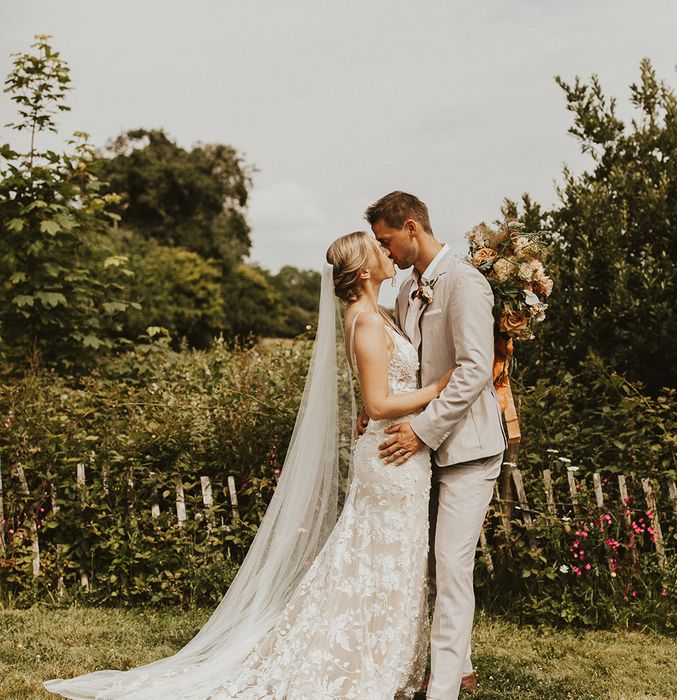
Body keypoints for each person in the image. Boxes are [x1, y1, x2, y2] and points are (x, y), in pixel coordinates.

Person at [43, 231, 453, 699]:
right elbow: (378, 403)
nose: (387, 252)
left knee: (387, 560)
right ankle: (363, 667)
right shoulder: (365, 321)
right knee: (380, 560)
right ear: (363, 271)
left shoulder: (378, 313)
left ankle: (382, 661)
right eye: (378, 249)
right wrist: (440, 387)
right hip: (390, 455)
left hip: (399, 456)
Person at [364, 191, 507, 700]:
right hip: (418, 455)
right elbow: (407, 365)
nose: (387, 251)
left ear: (410, 228)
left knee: (451, 564)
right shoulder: (405, 291)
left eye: (387, 241)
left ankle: (442, 689)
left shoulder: (466, 283)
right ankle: (460, 665)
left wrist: (423, 430)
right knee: (424, 563)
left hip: (468, 449)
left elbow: (473, 370)